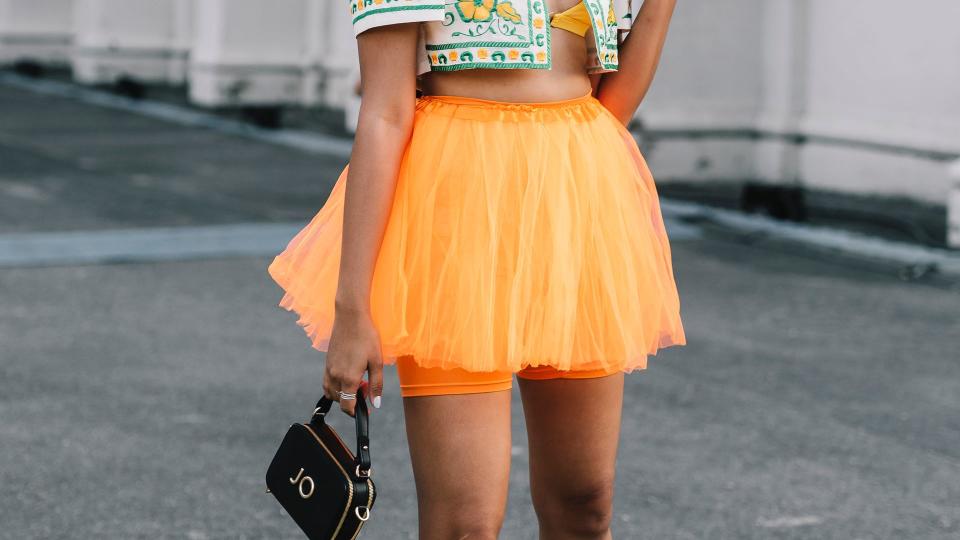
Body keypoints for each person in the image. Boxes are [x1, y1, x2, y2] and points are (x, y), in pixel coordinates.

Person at [268, 0, 684, 537]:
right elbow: (384, 113)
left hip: (576, 210)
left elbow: (612, 107)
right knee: (463, 525)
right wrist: (353, 307)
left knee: (586, 504)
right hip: (452, 219)